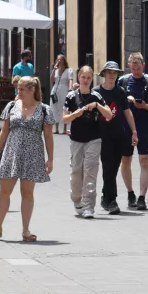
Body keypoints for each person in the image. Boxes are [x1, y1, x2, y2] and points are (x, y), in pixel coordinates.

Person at [0, 76, 54, 242]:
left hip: (33, 154)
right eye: (18, 88)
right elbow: (4, 131)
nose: (18, 91)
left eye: (22, 89)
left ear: (32, 90)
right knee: (4, 192)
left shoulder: (44, 109)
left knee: (27, 192)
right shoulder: (11, 106)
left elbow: (48, 136)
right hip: (12, 152)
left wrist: (50, 159)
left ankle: (25, 230)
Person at [62, 66, 111, 219]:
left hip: (94, 139)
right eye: (83, 77)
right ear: (79, 78)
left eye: (88, 78)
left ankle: (89, 206)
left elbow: (109, 115)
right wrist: (75, 114)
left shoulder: (96, 96)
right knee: (76, 171)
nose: (85, 80)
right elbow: (64, 118)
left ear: (92, 79)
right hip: (76, 139)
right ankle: (77, 199)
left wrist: (97, 105)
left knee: (90, 171)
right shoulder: (71, 97)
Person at [118, 53, 148, 210]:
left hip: (144, 126)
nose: (135, 71)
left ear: (143, 65)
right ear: (129, 66)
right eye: (133, 68)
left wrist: (145, 106)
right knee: (126, 160)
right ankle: (130, 193)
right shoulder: (122, 81)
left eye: (138, 68)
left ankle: (142, 196)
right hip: (125, 126)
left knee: (144, 160)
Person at [94, 61, 138, 215]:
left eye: (114, 72)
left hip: (119, 135)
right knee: (108, 168)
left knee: (114, 168)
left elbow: (127, 112)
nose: (112, 75)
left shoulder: (120, 92)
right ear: (104, 74)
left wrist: (133, 131)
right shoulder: (96, 93)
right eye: (109, 72)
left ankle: (107, 198)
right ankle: (111, 200)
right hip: (102, 136)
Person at [49, 54, 75, 134]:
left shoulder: (69, 70)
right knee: (54, 108)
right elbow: (52, 80)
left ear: (64, 61)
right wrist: (53, 69)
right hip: (55, 91)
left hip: (64, 90)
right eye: (58, 59)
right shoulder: (56, 71)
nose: (59, 61)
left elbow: (70, 80)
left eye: (61, 59)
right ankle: (56, 128)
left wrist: (70, 89)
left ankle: (64, 128)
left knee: (63, 109)